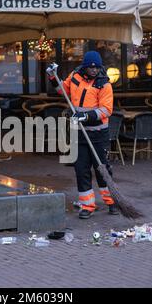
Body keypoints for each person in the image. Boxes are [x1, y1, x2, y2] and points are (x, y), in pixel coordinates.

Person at [47, 51, 118, 219]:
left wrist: (87, 116)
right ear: (85, 67)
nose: (93, 70)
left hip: (98, 133)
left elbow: (107, 110)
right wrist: (52, 76)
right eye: (90, 67)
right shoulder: (75, 76)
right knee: (81, 169)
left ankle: (112, 201)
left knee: (102, 169)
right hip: (79, 132)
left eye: (96, 68)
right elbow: (63, 90)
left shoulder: (104, 84)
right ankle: (87, 205)